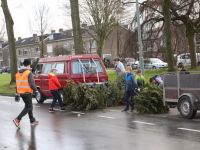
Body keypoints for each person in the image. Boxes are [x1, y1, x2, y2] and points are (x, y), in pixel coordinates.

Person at [13, 59, 39, 129]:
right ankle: (18, 119)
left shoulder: (18, 74)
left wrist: (17, 94)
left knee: (29, 106)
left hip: (21, 93)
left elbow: (17, 85)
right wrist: (35, 90)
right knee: (28, 106)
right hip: (27, 92)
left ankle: (32, 120)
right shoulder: (28, 72)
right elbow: (31, 83)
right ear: (28, 65)